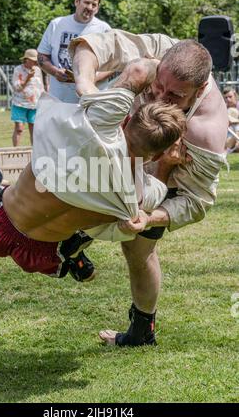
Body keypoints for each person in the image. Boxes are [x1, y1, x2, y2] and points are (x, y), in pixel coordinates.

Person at [0, 60, 187, 360]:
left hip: (2, 223)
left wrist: (158, 77)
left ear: (126, 120)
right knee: (91, 226)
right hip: (47, 255)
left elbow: (139, 70)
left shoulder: (102, 121)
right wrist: (164, 166)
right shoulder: (135, 193)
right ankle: (74, 259)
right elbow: (157, 193)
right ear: (159, 152)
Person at [69, 29, 228, 346]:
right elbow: (94, 44)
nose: (159, 98)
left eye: (174, 97)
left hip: (163, 178)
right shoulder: (161, 52)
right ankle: (71, 247)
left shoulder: (205, 131)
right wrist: (87, 87)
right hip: (118, 146)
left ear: (197, 92)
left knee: (137, 251)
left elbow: (197, 202)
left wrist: (150, 219)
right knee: (75, 200)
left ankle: (142, 331)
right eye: (159, 86)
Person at [37, 0, 112, 103]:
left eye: (94, 5)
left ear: (97, 8)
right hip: (60, 100)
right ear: (77, 1)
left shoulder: (104, 29)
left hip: (92, 100)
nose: (90, 7)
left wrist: (91, 79)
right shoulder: (56, 24)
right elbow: (42, 56)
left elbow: (114, 63)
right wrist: (55, 72)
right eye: (86, 2)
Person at [11, 49, 44, 146]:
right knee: (19, 129)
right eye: (33, 60)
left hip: (34, 104)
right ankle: (15, 151)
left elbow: (40, 86)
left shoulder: (38, 70)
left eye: (36, 61)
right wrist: (28, 77)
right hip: (20, 103)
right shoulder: (18, 70)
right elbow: (17, 87)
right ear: (26, 59)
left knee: (34, 129)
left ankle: (34, 151)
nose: (35, 62)